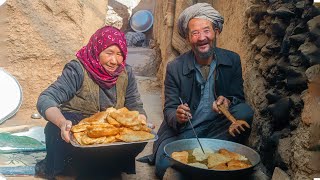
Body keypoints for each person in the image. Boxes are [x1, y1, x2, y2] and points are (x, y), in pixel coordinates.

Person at [149, 3, 254, 179]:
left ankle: (203, 160)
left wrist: (227, 102)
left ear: (216, 32)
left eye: (206, 31)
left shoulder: (232, 60)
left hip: (216, 128)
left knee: (244, 111)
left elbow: (238, 98)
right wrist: (178, 115)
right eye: (195, 33)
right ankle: (208, 160)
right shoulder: (175, 67)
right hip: (183, 133)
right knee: (163, 164)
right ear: (188, 38)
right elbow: (169, 109)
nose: (201, 38)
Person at [36, 25, 148, 179]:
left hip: (107, 135)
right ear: (97, 50)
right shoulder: (78, 69)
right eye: (109, 53)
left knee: (140, 137)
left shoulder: (125, 72)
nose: (114, 61)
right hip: (78, 129)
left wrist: (140, 121)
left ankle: (107, 166)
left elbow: (135, 105)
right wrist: (62, 123)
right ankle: (68, 169)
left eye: (119, 54)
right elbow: (46, 99)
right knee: (54, 130)